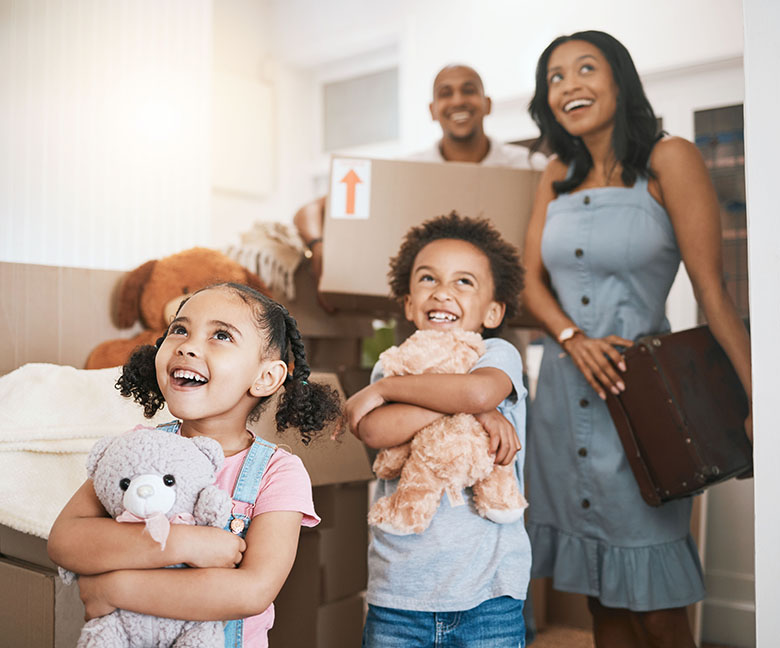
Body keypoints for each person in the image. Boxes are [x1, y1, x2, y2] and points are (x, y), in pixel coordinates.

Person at [521, 30, 752, 648]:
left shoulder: (669, 159)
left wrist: (759, 397)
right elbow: (530, 284)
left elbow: (713, 291)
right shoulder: (555, 173)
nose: (570, 85)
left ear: (619, 80)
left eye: (586, 69)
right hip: (564, 403)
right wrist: (571, 337)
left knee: (657, 601)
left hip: (642, 400)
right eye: (556, 77)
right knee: (600, 595)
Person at [47, 283, 341, 647]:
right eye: (179, 329)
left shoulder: (277, 473)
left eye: (221, 335)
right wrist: (185, 542)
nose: (186, 345)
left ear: (265, 377)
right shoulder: (138, 447)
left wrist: (115, 588)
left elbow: (251, 591)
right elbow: (66, 540)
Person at [344, 212, 531, 648]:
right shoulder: (394, 360)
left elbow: (481, 389)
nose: (443, 292)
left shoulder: (496, 353)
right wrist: (469, 408)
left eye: (463, 282)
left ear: (493, 310)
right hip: (399, 594)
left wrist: (393, 391)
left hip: (489, 593)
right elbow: (376, 430)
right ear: (409, 303)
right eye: (428, 279)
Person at [293, 63, 547, 290]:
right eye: (445, 93)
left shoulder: (529, 166)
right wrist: (318, 246)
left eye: (468, 90)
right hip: (420, 321)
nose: (458, 100)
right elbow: (310, 210)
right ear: (432, 110)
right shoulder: (407, 171)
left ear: (487, 104)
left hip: (502, 321)